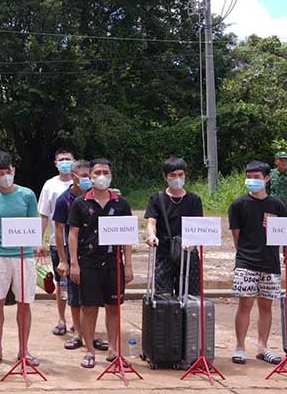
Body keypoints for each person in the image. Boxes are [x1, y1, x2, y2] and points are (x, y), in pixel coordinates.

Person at [0, 151, 43, 368]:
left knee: (25, 304)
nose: (6, 175)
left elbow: (33, 224)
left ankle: (24, 350)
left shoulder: (27, 195)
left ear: (13, 170)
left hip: (24, 257)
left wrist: (35, 244)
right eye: (0, 173)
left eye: (9, 171)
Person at [66, 158, 134, 369]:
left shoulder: (120, 203)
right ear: (90, 176)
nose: (101, 176)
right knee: (89, 308)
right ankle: (89, 351)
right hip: (88, 263)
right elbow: (73, 234)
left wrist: (128, 265)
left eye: (105, 172)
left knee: (113, 307)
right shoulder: (81, 203)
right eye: (97, 173)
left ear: (111, 175)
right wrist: (74, 263)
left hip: (114, 263)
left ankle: (113, 349)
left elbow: (127, 236)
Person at [228, 160, 287, 365]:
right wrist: (245, 256)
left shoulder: (277, 206)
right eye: (249, 177)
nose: (252, 181)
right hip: (246, 262)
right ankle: (240, 347)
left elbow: (282, 235)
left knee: (266, 306)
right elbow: (237, 236)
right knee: (245, 304)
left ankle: (263, 347)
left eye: (257, 177)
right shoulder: (237, 205)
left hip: (271, 263)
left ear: (266, 179)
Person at [53, 160, 107, 352]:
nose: (87, 179)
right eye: (83, 176)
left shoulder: (100, 197)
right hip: (74, 253)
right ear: (74, 177)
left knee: (93, 298)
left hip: (97, 255)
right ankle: (78, 333)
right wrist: (63, 259)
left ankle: (90, 335)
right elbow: (60, 231)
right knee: (75, 297)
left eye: (88, 175)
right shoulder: (64, 200)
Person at [144, 157, 204, 296]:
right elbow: (151, 223)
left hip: (188, 254)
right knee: (163, 299)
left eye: (180, 174)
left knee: (190, 298)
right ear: (165, 177)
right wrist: (152, 235)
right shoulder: (156, 198)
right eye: (172, 175)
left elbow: (198, 227)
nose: (177, 178)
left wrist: (193, 243)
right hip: (164, 254)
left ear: (185, 175)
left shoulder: (194, 199)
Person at [37, 147, 76, 337]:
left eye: (68, 159)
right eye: (61, 159)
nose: (65, 162)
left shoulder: (82, 183)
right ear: (55, 163)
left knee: (81, 282)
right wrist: (39, 241)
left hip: (82, 244)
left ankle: (80, 320)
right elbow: (43, 215)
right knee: (61, 282)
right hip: (58, 243)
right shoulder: (49, 185)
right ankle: (61, 319)